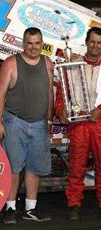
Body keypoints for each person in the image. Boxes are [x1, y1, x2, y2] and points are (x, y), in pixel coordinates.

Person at [0, 27, 54, 224]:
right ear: (23, 43)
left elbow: (49, 93)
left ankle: (31, 208)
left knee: (34, 168)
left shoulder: (47, 63)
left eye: (38, 43)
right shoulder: (11, 63)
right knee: (13, 167)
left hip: (39, 124)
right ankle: (10, 207)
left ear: (42, 43)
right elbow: (0, 95)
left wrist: (50, 118)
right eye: (30, 43)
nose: (34, 47)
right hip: (15, 122)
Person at [55, 27, 101, 220]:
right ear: (86, 42)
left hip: (99, 122)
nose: (95, 46)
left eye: (99, 43)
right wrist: (60, 110)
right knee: (76, 165)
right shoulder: (72, 64)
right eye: (92, 42)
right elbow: (60, 92)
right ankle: (74, 202)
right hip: (79, 121)